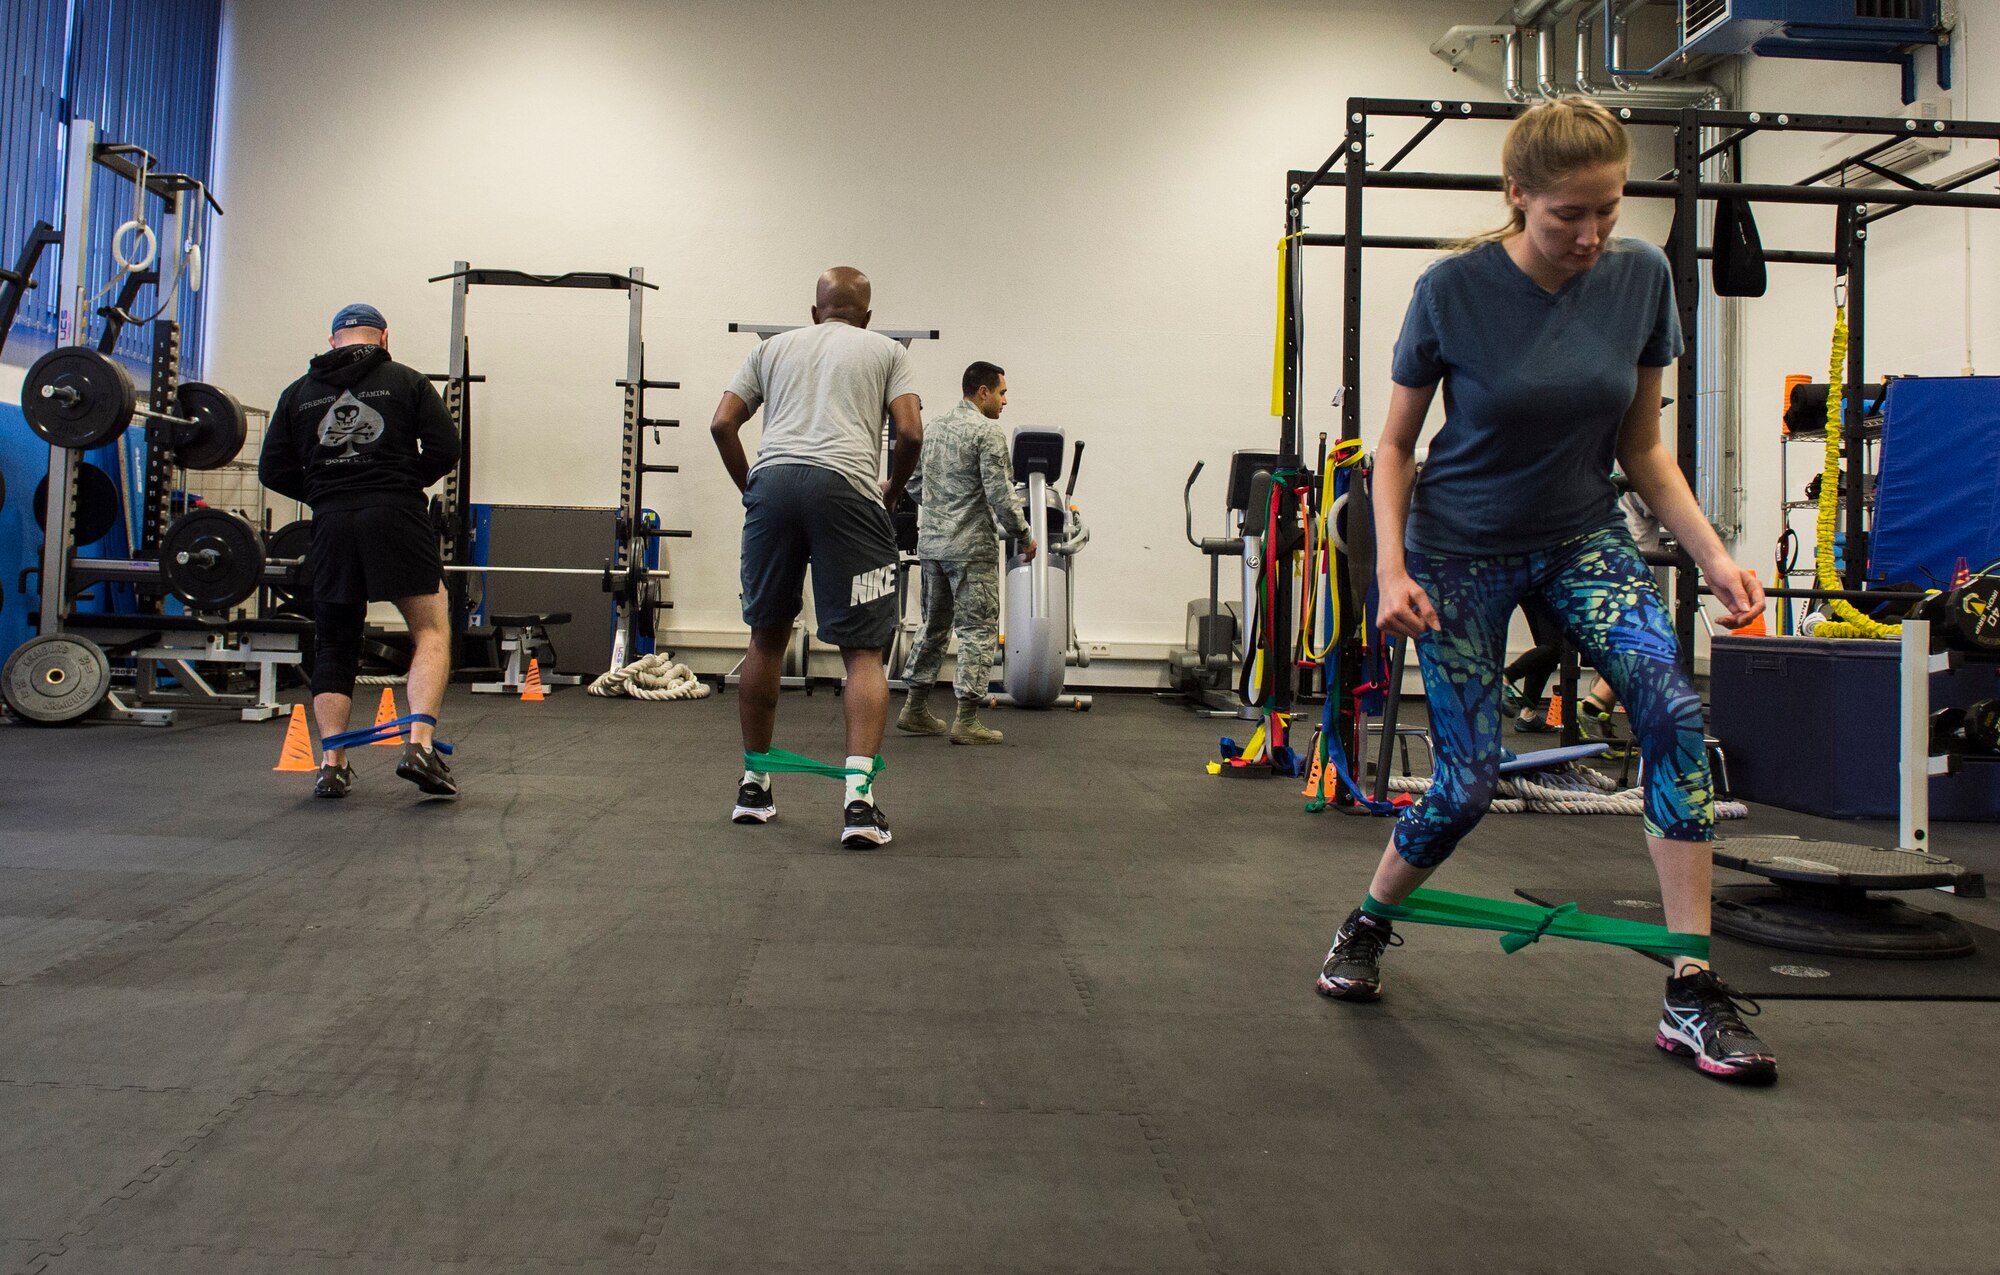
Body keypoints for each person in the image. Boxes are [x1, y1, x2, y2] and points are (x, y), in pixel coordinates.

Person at [1313, 98, 1776, 1082]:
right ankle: (1368, 919)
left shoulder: (1639, 275)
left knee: (1668, 710)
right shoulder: (1450, 291)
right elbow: (1392, 449)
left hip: (1578, 537)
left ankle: (1689, 989)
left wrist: (1708, 553)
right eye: (1567, 214)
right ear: (1515, 196)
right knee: (1465, 784)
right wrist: (1389, 570)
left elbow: (1641, 446)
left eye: (1606, 209)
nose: (1589, 234)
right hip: (1456, 553)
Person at [710, 267, 923, 848]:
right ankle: (858, 802)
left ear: (814, 311)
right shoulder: (885, 351)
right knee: (864, 652)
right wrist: (894, 492)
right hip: (846, 490)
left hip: (774, 483)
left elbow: (723, 423)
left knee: (765, 639)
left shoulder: (774, 349)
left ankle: (754, 787)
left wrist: (752, 488)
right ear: (869, 316)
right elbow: (909, 435)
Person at [259, 303, 461, 799]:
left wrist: (326, 493)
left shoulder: (297, 394)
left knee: (334, 643)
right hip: (396, 515)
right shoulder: (407, 380)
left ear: (333, 341)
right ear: (384, 337)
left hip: (331, 524)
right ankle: (418, 746)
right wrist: (398, 482)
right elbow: (446, 449)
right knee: (431, 630)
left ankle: (332, 763)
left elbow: (272, 470)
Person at [896, 362, 1035, 744]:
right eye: (1002, 392)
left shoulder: (935, 427)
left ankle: (915, 709)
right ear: (983, 392)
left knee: (933, 626)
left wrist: (942, 505)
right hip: (971, 548)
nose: (1006, 401)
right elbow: (1001, 496)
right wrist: (1025, 536)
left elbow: (911, 479)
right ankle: (968, 720)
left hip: (933, 547)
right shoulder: (987, 432)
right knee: (977, 630)